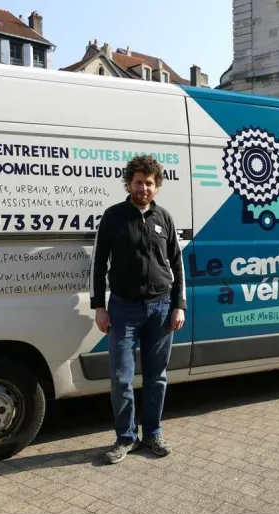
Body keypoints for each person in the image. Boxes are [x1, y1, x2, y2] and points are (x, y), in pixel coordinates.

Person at [90, 155, 187, 464]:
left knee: (156, 377)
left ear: (156, 186)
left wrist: (179, 305)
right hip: (123, 309)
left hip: (161, 307)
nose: (143, 188)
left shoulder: (164, 218)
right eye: (137, 182)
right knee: (121, 378)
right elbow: (97, 264)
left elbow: (177, 264)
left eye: (148, 183)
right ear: (128, 184)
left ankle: (153, 433)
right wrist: (99, 307)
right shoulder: (113, 216)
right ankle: (125, 437)